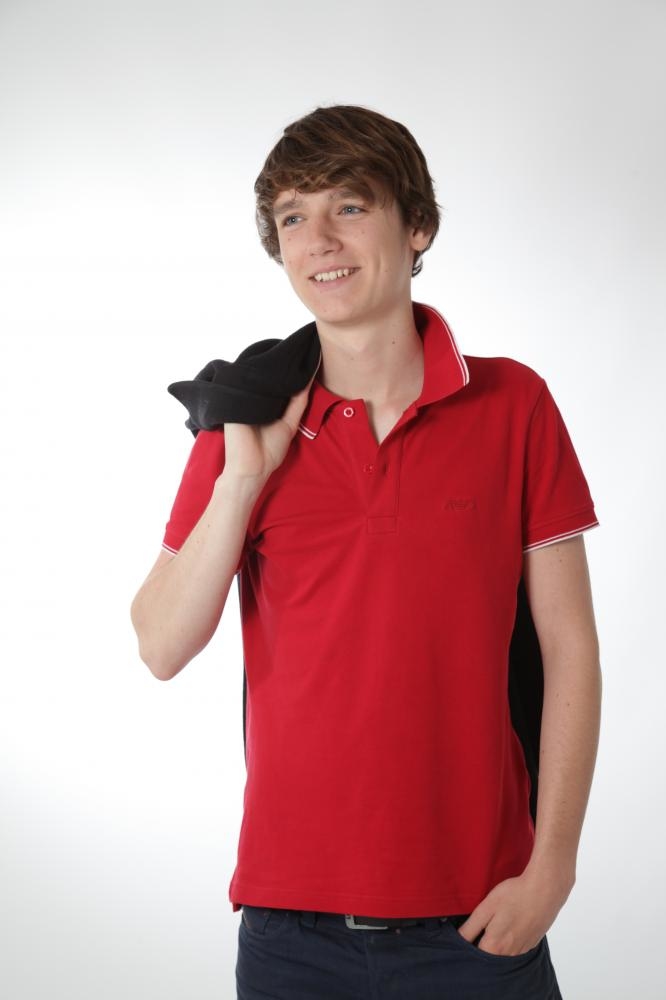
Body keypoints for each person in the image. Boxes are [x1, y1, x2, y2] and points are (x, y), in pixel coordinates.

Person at [130, 105, 602, 999]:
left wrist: (553, 869)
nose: (319, 240)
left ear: (416, 224)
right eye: (293, 217)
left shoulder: (514, 405)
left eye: (349, 206)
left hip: (480, 919)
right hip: (290, 930)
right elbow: (160, 644)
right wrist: (243, 478)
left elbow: (569, 645)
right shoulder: (241, 425)